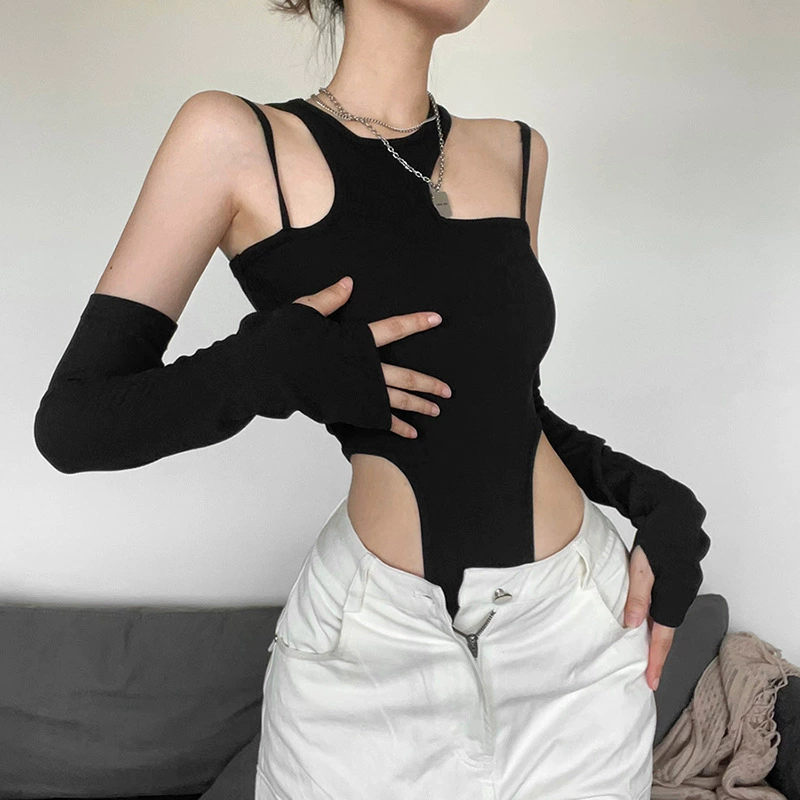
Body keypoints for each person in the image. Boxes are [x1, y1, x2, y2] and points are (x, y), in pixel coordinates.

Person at [33, 1, 711, 797]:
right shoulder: (234, 140)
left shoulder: (518, 152)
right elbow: (75, 424)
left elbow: (500, 406)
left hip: (576, 640)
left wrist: (650, 496)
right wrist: (266, 365)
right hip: (370, 661)